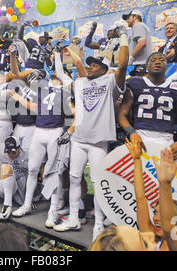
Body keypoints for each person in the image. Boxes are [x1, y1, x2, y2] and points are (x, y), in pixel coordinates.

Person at [54, 26, 129, 241]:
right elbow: (61, 74)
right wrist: (59, 54)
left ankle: (98, 224)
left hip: (98, 142)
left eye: (96, 64)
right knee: (75, 178)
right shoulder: (79, 83)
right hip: (79, 139)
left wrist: (124, 36)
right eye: (91, 64)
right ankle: (74, 219)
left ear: (104, 69)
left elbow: (123, 64)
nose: (92, 66)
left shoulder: (110, 82)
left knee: (97, 183)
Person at [10, 68, 73, 229]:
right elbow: (36, 107)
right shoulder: (42, 90)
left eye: (56, 77)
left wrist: (68, 131)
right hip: (39, 129)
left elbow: (71, 112)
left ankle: (53, 210)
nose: (53, 79)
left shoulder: (65, 90)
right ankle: (26, 204)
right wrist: (19, 97)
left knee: (53, 172)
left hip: (55, 131)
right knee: (32, 169)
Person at [118, 51, 177, 159]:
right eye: (153, 60)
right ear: (147, 67)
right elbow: (121, 115)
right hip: (140, 137)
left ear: (167, 66)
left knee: (165, 175)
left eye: (161, 60)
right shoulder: (135, 83)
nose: (157, 62)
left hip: (167, 140)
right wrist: (132, 133)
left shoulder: (176, 87)